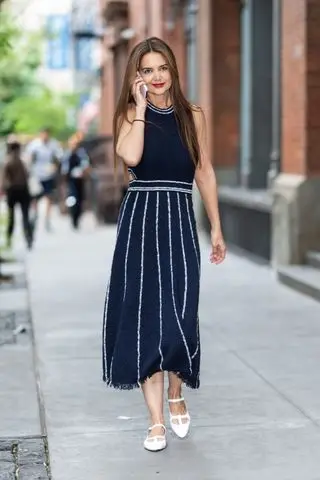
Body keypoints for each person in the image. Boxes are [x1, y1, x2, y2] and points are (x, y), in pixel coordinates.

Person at [102, 37, 226, 452]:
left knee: (179, 316)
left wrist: (217, 228)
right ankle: (155, 421)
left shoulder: (194, 116)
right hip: (140, 224)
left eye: (162, 69)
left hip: (178, 221)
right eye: (147, 70)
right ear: (137, 76)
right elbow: (132, 159)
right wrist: (138, 109)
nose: (156, 77)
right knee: (143, 321)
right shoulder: (127, 116)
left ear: (173, 71)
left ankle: (177, 392)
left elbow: (204, 173)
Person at [26, 127, 63, 232]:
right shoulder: (35, 145)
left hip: (48, 174)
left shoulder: (53, 144)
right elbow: (29, 158)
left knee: (49, 197)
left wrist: (54, 166)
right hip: (37, 175)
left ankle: (47, 219)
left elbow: (58, 157)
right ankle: (35, 215)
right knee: (35, 198)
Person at [1, 140, 33, 249]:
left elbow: (4, 180)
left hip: (12, 191)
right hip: (23, 190)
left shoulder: (7, 161)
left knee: (12, 217)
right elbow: (28, 175)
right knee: (25, 216)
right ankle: (28, 238)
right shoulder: (22, 161)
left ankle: (9, 240)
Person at [61, 133, 90, 229]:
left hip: (80, 180)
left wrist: (84, 172)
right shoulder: (67, 154)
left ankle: (77, 218)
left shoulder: (81, 153)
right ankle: (73, 218)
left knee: (80, 200)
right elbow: (64, 168)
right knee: (73, 199)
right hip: (71, 180)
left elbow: (86, 164)